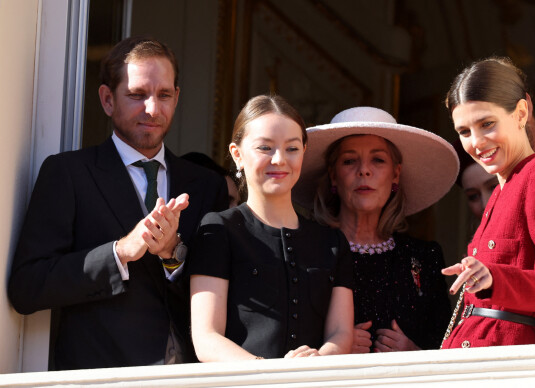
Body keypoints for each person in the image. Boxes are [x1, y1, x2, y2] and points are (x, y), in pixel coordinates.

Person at [7, 36, 228, 369]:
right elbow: (27, 288)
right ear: (107, 99)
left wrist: (173, 256)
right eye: (137, 95)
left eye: (164, 95)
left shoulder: (206, 184)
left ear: (177, 97)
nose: (153, 109)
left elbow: (224, 291)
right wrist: (120, 252)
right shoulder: (68, 173)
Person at [189, 95, 354, 361]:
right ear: (237, 154)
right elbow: (206, 337)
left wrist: (319, 362)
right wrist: (267, 373)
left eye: (292, 148)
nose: (279, 160)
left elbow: (341, 333)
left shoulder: (332, 242)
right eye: (265, 148)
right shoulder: (218, 230)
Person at [293, 106, 458, 352]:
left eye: (378, 160)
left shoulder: (424, 256)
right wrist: (335, 347)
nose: (364, 170)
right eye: (349, 161)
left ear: (395, 174)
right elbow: (285, 333)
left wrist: (413, 352)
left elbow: (448, 346)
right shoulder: (305, 250)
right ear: (334, 176)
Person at [440, 57, 535, 349]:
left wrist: (494, 278)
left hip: (509, 356)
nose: (477, 142)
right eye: (464, 132)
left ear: (521, 112)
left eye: (487, 124)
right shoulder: (499, 189)